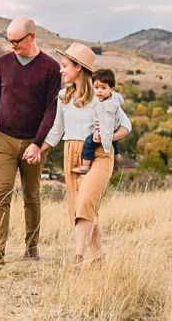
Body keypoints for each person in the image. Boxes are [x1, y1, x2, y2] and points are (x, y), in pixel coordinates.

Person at [0, 16, 61, 266]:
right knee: (1, 195)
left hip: (33, 144)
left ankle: (31, 249)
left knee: (32, 196)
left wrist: (37, 143)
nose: (12, 46)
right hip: (3, 139)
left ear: (31, 37)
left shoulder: (50, 68)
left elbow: (50, 111)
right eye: (9, 41)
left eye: (16, 41)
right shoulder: (3, 63)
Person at [36, 43, 131, 264]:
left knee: (85, 201)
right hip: (72, 153)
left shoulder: (104, 96)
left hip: (98, 155)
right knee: (79, 208)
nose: (61, 71)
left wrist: (106, 137)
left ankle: (78, 257)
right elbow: (57, 131)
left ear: (78, 67)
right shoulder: (63, 96)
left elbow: (127, 127)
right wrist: (38, 150)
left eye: (65, 66)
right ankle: (98, 258)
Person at [72, 68, 125, 175]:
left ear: (111, 89)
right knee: (115, 138)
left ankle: (85, 166)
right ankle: (117, 153)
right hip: (113, 128)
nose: (99, 91)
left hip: (106, 129)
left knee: (89, 142)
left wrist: (99, 135)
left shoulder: (108, 105)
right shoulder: (108, 99)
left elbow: (106, 125)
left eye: (103, 88)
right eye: (96, 88)